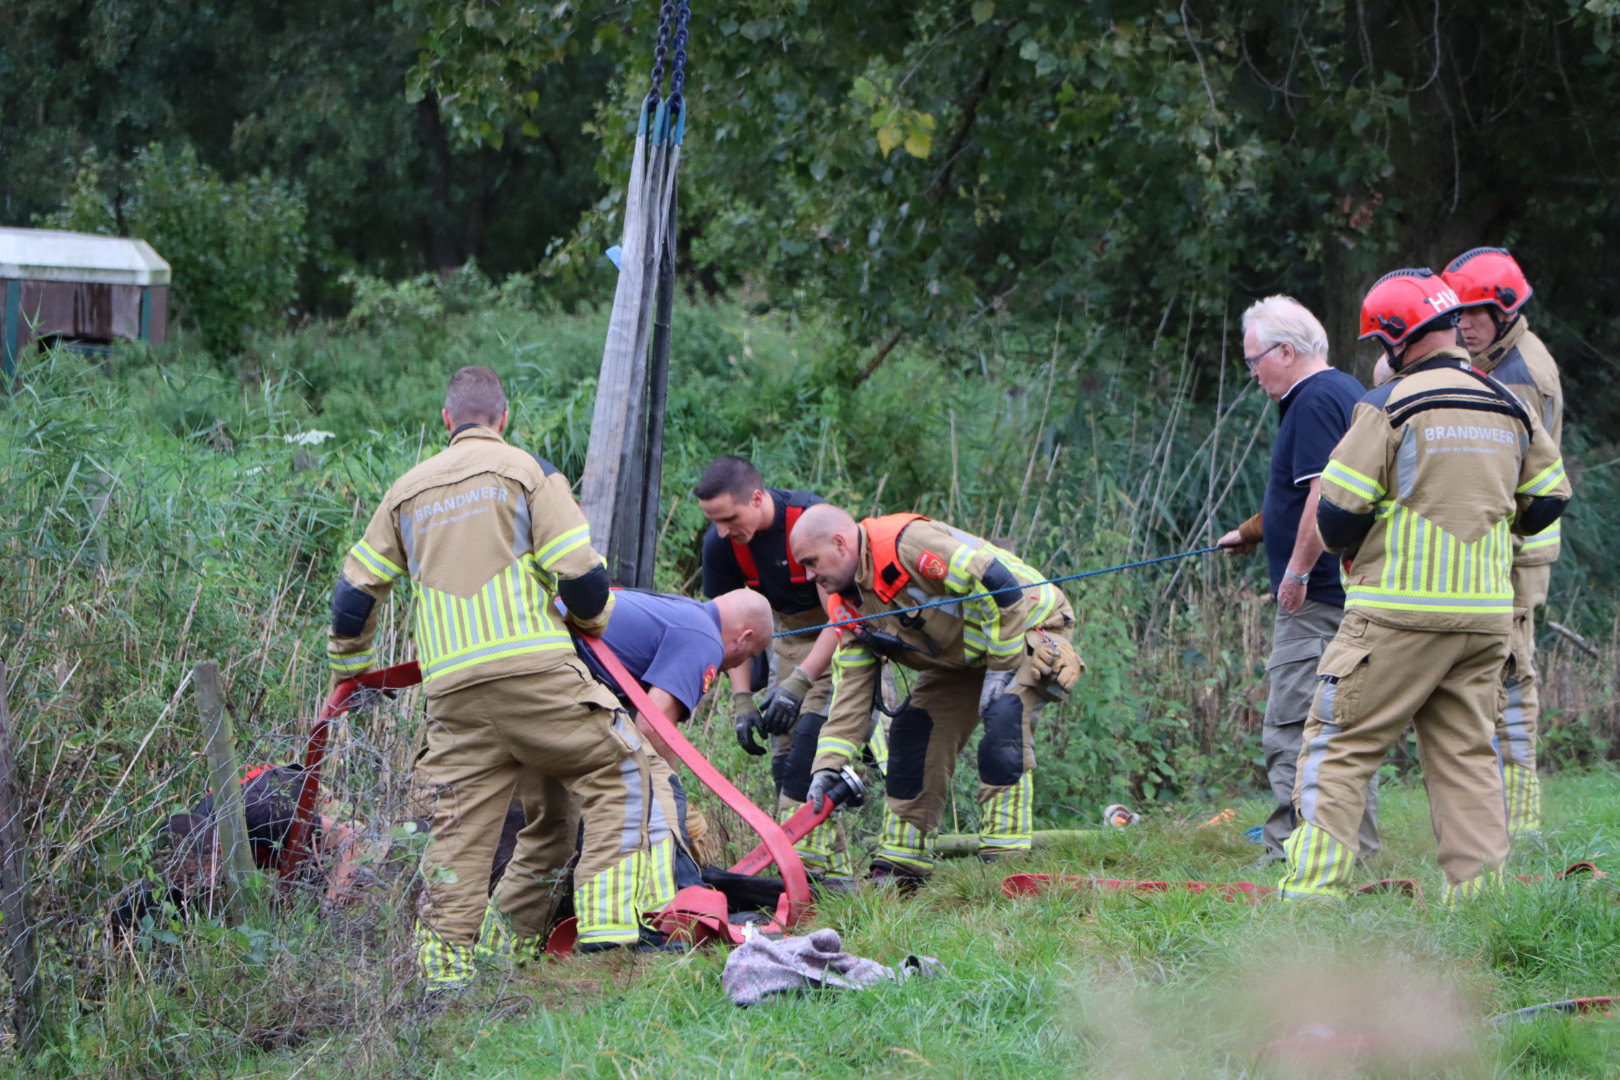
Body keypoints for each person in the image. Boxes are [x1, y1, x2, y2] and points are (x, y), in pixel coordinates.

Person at [327, 365, 667, 987]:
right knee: (624, 770)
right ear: (503, 420)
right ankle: (608, 942)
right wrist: (598, 619)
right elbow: (582, 577)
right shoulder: (527, 472)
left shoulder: (404, 492)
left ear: (447, 421)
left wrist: (350, 673)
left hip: (453, 697)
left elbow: (353, 596)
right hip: (536, 677)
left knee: (463, 837)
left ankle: (448, 982)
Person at [1279, 269, 1570, 902]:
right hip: (1485, 618)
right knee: (1466, 756)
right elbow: (1549, 497)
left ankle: (1311, 898)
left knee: (1340, 743)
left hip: (1395, 616)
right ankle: (1481, 904)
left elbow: (1336, 515)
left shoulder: (1390, 405)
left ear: (1394, 337)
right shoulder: (1508, 402)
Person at [789, 504, 1083, 884]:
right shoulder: (847, 607)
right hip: (963, 658)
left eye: (811, 562)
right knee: (914, 733)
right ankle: (902, 866)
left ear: (840, 543)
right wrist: (828, 767)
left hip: (1028, 624)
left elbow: (1002, 586)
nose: (809, 575)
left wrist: (1001, 667)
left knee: (1004, 722)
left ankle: (1007, 867)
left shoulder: (906, 544)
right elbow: (850, 697)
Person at [493, 587, 776, 943]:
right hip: (549, 688)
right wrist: (680, 809)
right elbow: (653, 727)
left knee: (551, 830)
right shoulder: (704, 635)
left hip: (513, 691)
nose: (729, 667)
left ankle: (503, 950)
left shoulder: (676, 611)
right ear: (745, 636)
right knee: (653, 784)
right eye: (741, 658)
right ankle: (675, 917)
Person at [1217, 296, 1379, 867]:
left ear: (1286, 352)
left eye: (1255, 359)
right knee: (1344, 728)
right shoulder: (1341, 392)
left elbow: (1320, 496)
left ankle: (1289, 853)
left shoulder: (1310, 402)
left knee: (1293, 727)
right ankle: (1355, 851)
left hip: (1317, 601)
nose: (1253, 371)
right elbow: (1303, 496)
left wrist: (1297, 572)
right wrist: (1253, 532)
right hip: (1351, 597)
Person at [1442, 248, 1564, 841]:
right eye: (1457, 314)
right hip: (1508, 542)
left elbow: (1508, 471)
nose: (1462, 324)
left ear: (1506, 310)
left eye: (1474, 314)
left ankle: (1520, 819)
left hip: (1515, 550)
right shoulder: (1497, 359)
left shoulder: (1519, 375)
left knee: (1512, 674)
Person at [697, 456, 860, 880]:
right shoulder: (721, 545)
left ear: (756, 498)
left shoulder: (806, 523)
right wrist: (742, 699)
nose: (722, 531)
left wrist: (799, 682)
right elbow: (732, 631)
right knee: (783, 763)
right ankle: (836, 877)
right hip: (787, 640)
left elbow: (841, 620)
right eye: (714, 521)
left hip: (838, 638)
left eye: (729, 518)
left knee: (809, 756)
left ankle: (804, 872)